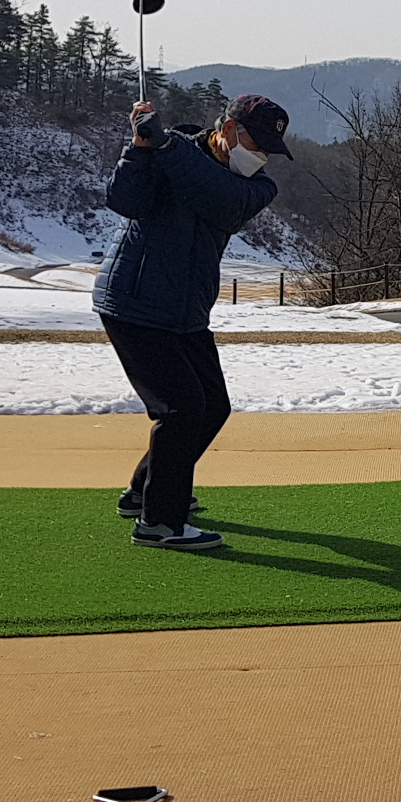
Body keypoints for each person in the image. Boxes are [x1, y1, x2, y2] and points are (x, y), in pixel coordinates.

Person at [92, 93, 293, 551]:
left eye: (269, 151)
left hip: (185, 310)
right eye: (257, 145)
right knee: (181, 409)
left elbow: (218, 199)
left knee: (212, 406)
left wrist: (165, 148)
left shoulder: (255, 187)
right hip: (135, 301)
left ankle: (144, 491)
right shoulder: (169, 150)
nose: (261, 158)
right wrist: (139, 148)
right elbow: (125, 200)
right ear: (228, 129)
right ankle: (160, 522)